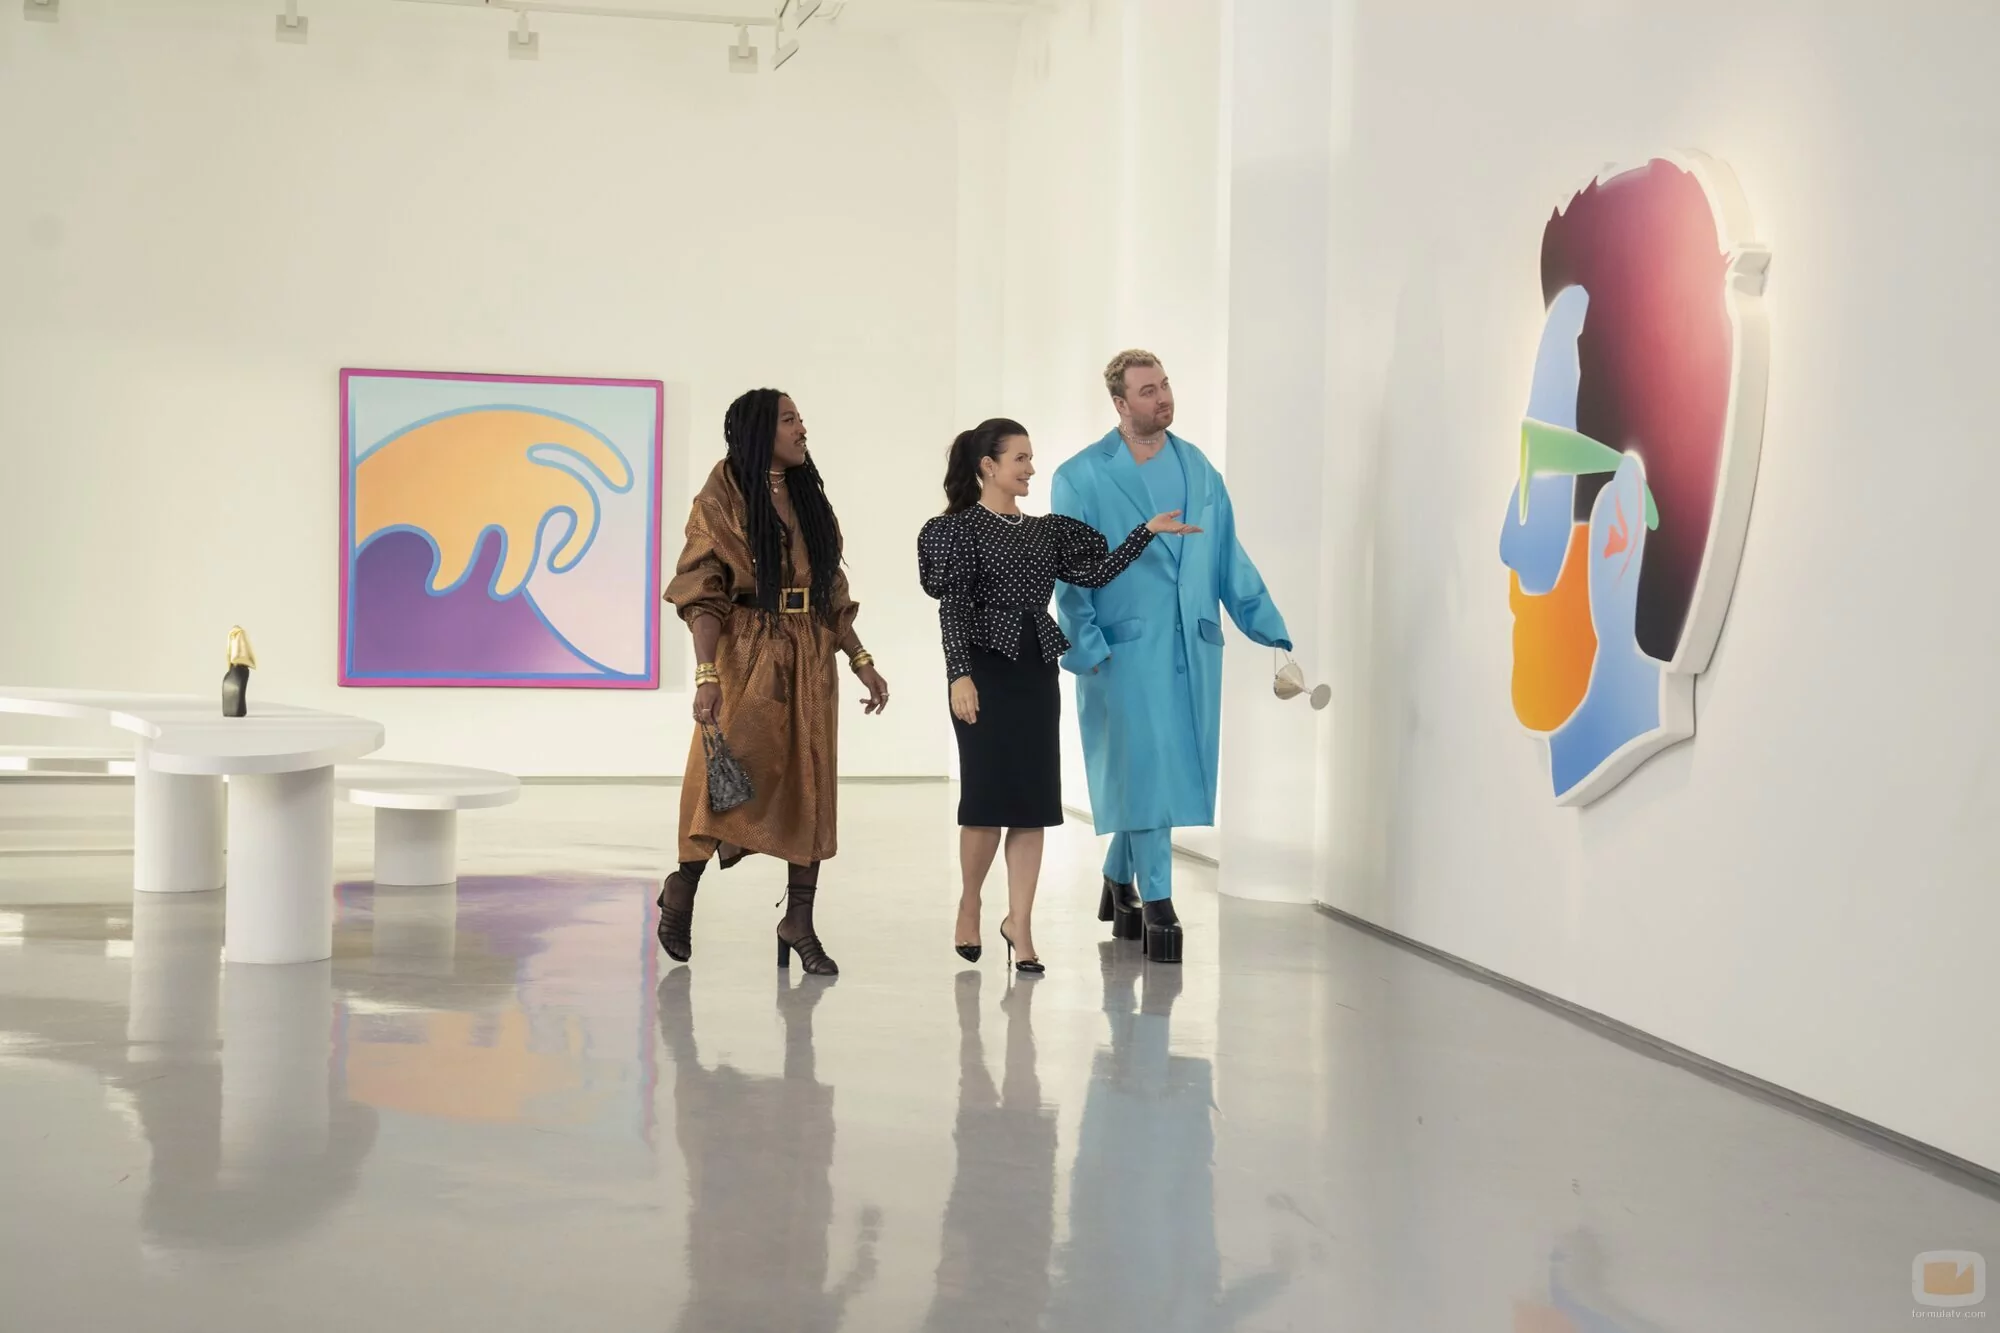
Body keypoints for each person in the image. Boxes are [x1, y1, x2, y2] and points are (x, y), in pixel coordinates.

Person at [918, 419, 1195, 973]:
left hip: (1035, 670)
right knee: (985, 800)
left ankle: (1019, 924)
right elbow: (953, 608)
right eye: (1020, 458)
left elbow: (1097, 573)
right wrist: (959, 675)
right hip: (984, 670)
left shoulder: (1047, 532)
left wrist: (1146, 531)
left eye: (1031, 457)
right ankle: (971, 902)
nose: (1031, 468)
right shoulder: (958, 530)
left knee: (1032, 804)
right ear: (988, 467)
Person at [1051, 351, 1291, 963]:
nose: (1162, 398)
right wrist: (1085, 645)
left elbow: (1228, 555)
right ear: (1119, 403)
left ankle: (1117, 875)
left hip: (1192, 646)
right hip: (1122, 651)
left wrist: (1269, 628)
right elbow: (1069, 573)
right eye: (1147, 390)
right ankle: (1158, 900)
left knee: (1161, 770)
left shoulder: (1199, 469)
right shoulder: (1081, 476)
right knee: (1147, 768)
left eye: (1164, 385)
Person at [658, 388, 891, 976]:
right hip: (747, 648)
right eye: (790, 420)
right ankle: (683, 885)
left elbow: (830, 587)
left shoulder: (808, 494)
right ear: (761, 431)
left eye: (801, 419)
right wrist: (707, 673)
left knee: (812, 777)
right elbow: (701, 589)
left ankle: (799, 921)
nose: (802, 429)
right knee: (726, 772)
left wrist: (860, 658)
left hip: (809, 651)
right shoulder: (721, 496)